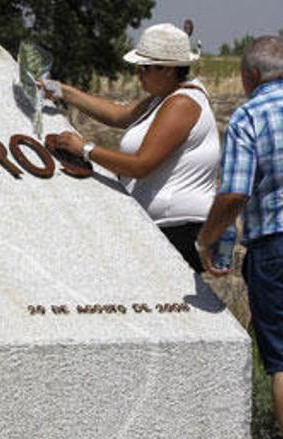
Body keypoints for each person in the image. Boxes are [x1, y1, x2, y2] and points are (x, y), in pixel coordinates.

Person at [46, 23, 220, 273]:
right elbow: (119, 115)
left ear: (169, 69)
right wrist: (63, 91)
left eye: (145, 68)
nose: (139, 74)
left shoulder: (181, 103)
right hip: (168, 226)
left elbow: (141, 165)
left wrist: (85, 149)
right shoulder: (166, 96)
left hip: (176, 229)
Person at [195, 35, 283, 439]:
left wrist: (207, 237)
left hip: (277, 245)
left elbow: (235, 192)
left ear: (250, 76)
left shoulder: (250, 115)